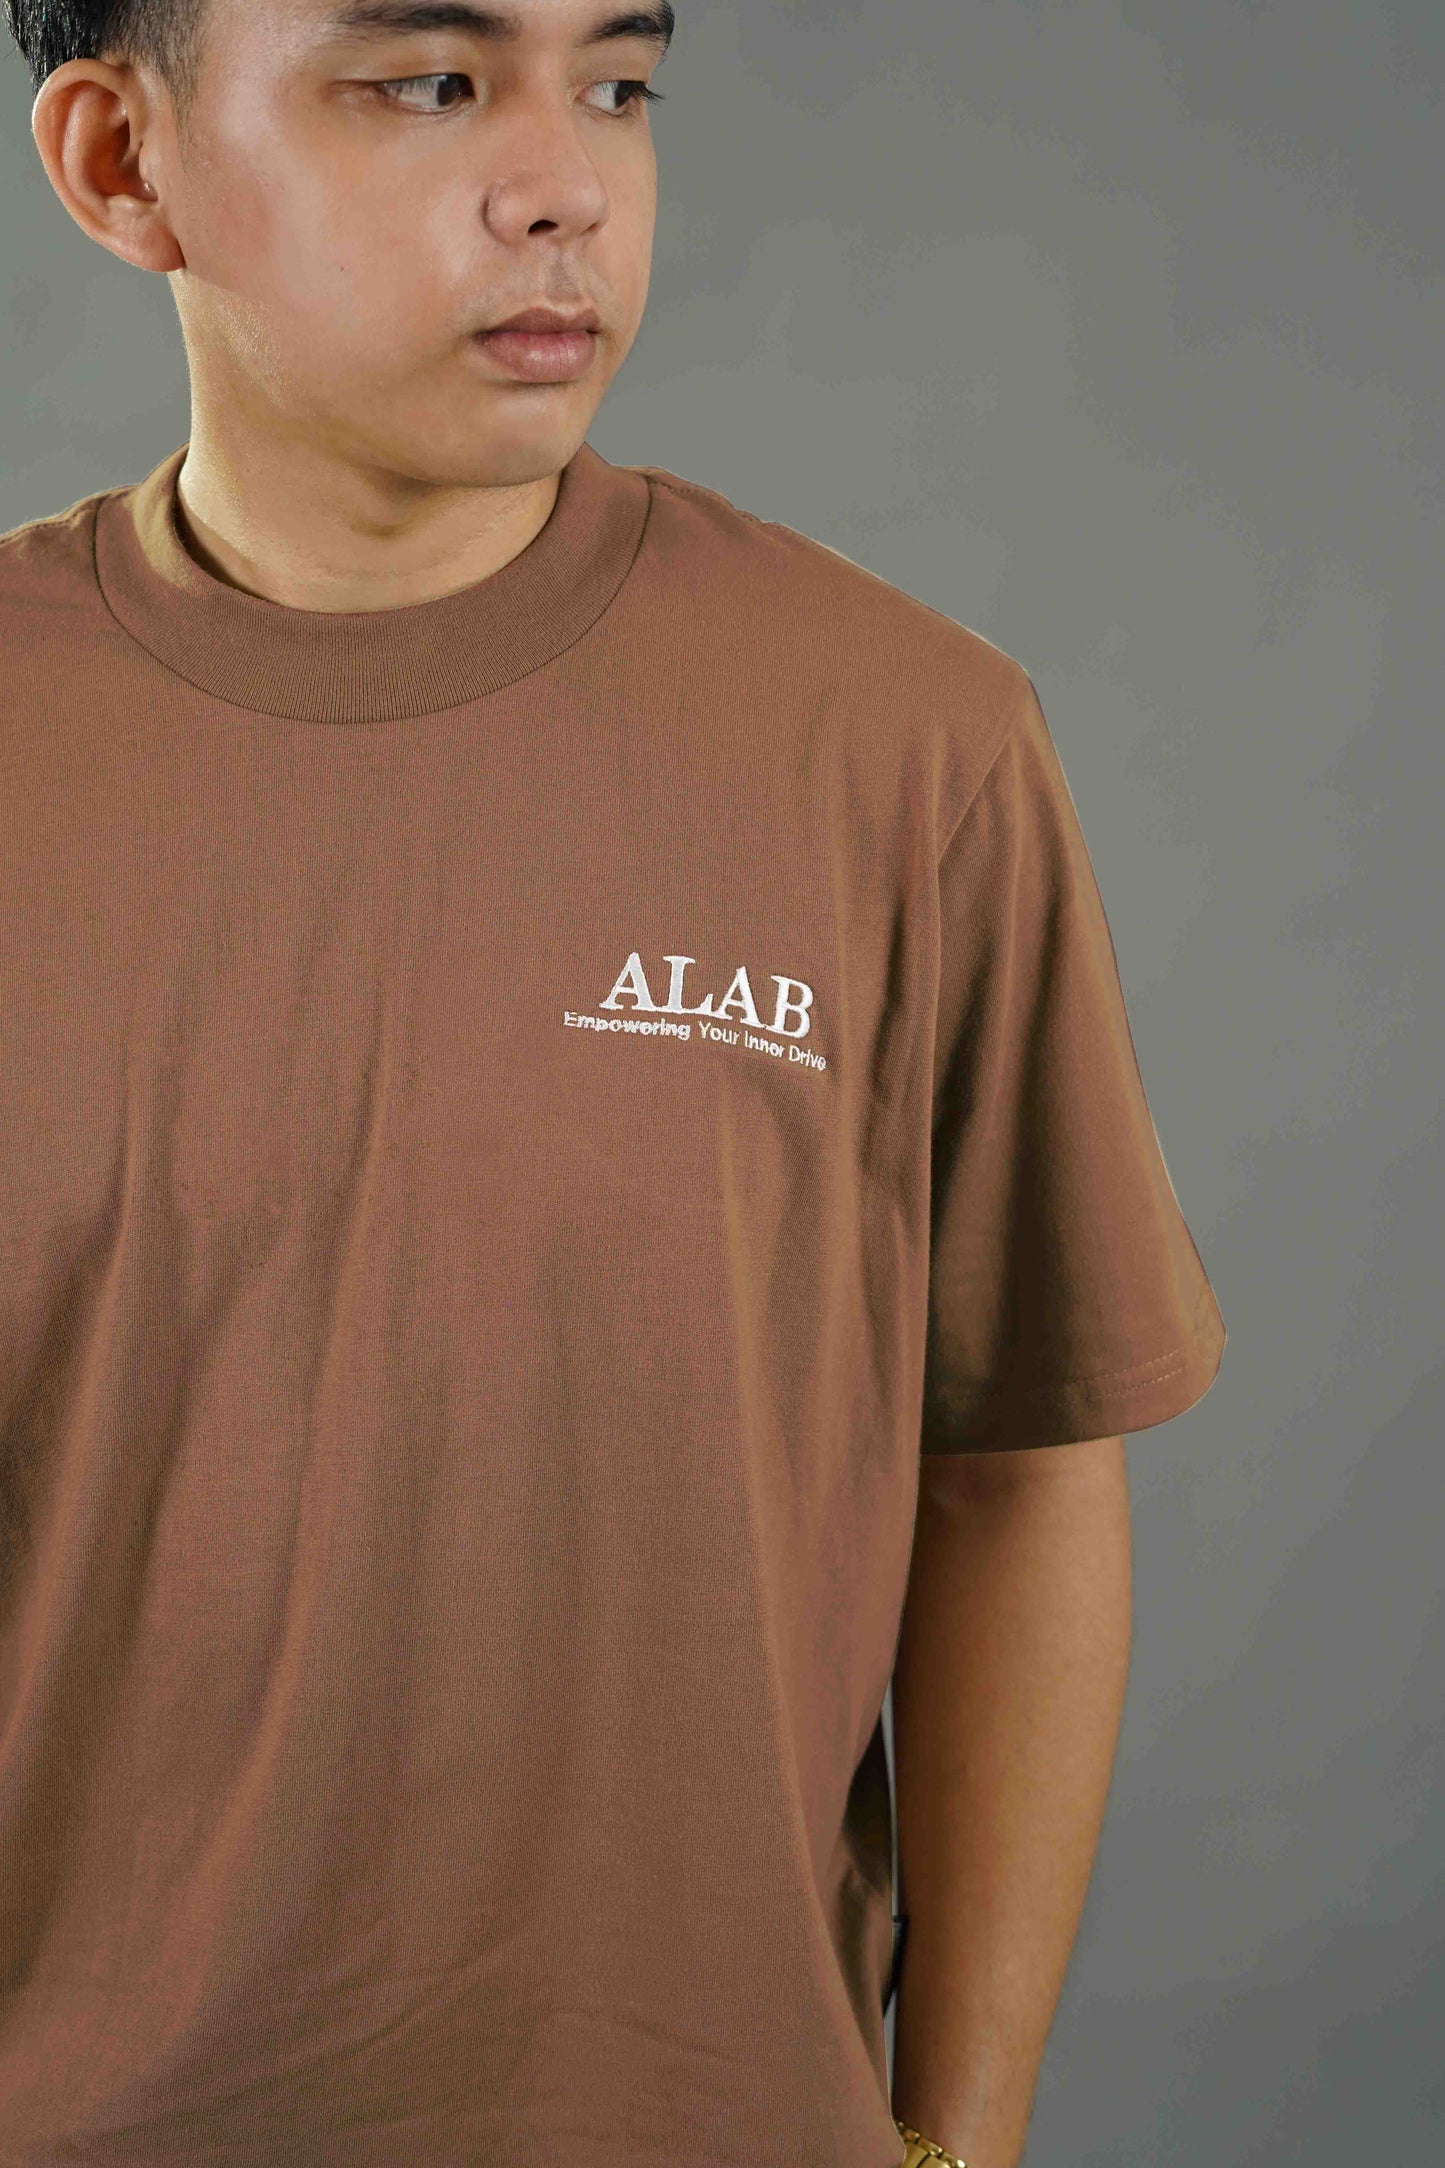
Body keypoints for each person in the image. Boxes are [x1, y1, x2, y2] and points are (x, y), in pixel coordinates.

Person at [0, 3, 1226, 2163]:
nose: (566, 184)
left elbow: (1019, 1469)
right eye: (431, 81)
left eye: (621, 85)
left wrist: (954, 2142)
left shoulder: (904, 743)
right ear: (122, 161)